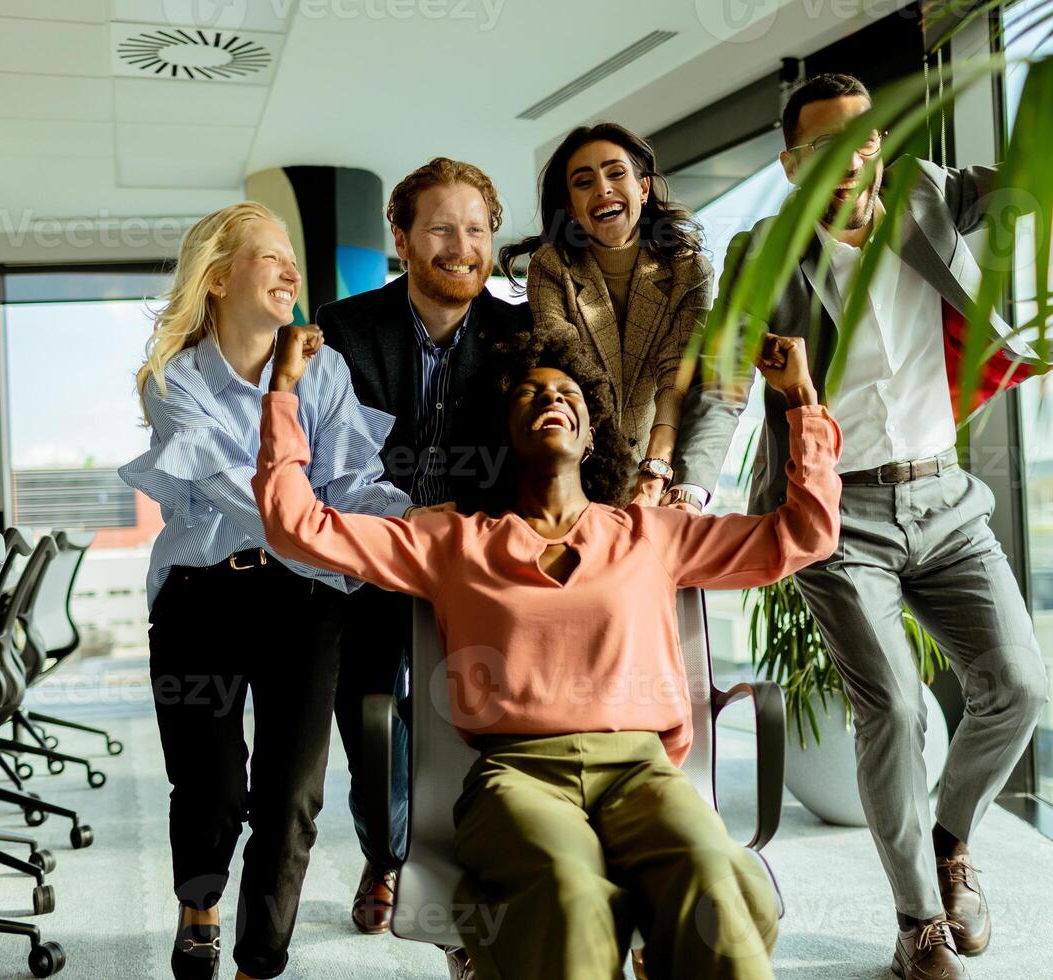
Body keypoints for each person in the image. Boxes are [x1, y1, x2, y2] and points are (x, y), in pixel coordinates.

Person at [717, 72, 1053, 979]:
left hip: (946, 498)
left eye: (865, 140)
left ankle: (951, 840)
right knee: (891, 707)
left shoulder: (927, 195)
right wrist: (680, 486)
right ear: (790, 165)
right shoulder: (763, 253)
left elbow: (1037, 173)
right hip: (836, 511)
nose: (854, 160)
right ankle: (917, 923)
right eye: (826, 148)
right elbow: (724, 382)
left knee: (1018, 683)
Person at [251, 325, 842, 980]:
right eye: (528, 394)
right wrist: (282, 390)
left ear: (591, 437)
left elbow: (805, 532)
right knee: (569, 891)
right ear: (504, 432)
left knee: (711, 880)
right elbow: (297, 525)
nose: (550, 398)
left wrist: (802, 400)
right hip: (518, 775)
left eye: (567, 393)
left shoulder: (653, 533)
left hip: (642, 772)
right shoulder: (450, 541)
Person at [119, 202, 431, 980]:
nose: (292, 271)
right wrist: (325, 521)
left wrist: (415, 518)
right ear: (218, 278)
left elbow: (351, 482)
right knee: (212, 788)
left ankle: (261, 962)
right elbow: (242, 494)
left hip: (304, 600)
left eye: (293, 256)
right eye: (271, 257)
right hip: (200, 596)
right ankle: (200, 908)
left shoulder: (325, 371)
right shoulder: (175, 381)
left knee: (292, 799)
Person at [314, 157, 531, 946]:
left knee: (486, 714)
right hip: (375, 552)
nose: (460, 246)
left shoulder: (519, 331)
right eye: (440, 228)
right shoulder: (345, 328)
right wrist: (406, 516)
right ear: (401, 238)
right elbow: (333, 458)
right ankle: (386, 855)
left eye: (475, 229)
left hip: (480, 559)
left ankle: (480, 856)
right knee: (373, 719)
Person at [500, 123, 737, 513]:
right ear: (570, 208)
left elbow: (675, 379)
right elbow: (570, 371)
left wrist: (655, 471)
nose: (602, 189)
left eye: (615, 173)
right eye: (583, 181)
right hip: (577, 468)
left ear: (642, 190)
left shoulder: (688, 271)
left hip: (660, 473)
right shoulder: (551, 267)